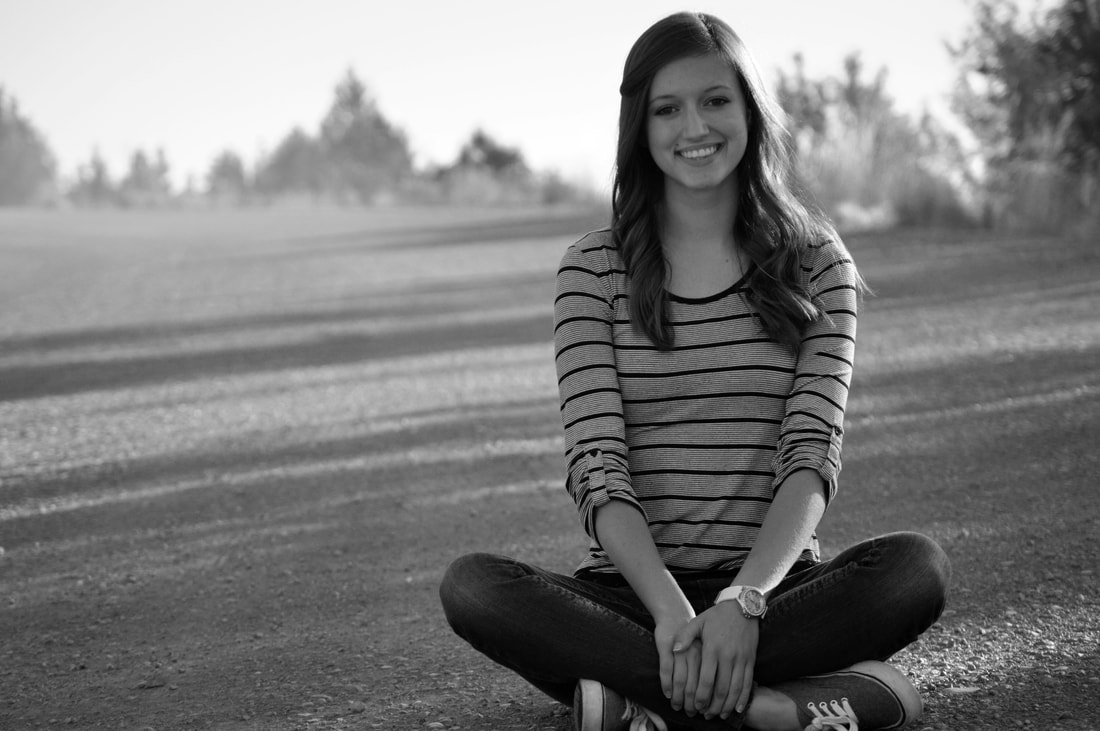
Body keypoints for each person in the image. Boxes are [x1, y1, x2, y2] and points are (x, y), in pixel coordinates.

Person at [439, 11, 950, 731]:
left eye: (715, 100)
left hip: (774, 591)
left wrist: (744, 601)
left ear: (750, 111)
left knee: (915, 569)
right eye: (668, 109)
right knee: (475, 587)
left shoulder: (816, 262)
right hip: (633, 594)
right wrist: (672, 613)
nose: (695, 127)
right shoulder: (593, 268)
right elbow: (597, 466)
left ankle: (640, 700)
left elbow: (811, 456)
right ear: (640, 126)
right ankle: (772, 705)